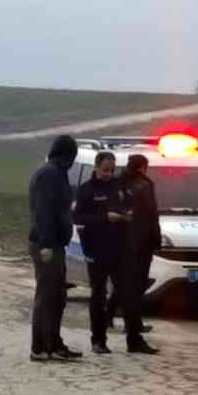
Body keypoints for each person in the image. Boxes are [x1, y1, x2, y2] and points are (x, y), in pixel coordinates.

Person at [29, 135, 82, 361]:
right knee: (47, 296)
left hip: (56, 244)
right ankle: (40, 347)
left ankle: (53, 344)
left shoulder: (57, 173)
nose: (72, 161)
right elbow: (43, 213)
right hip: (46, 245)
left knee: (57, 296)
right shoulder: (48, 175)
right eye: (71, 156)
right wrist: (48, 244)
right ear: (66, 155)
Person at [72, 151, 129, 354]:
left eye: (112, 170)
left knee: (123, 289)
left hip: (118, 247)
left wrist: (126, 216)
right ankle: (98, 340)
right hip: (96, 248)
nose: (109, 173)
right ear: (96, 167)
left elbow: (125, 206)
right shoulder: (86, 190)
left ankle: (119, 327)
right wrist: (105, 217)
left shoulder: (117, 186)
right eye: (105, 170)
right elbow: (78, 216)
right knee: (98, 294)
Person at [116, 153, 161, 354]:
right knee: (134, 289)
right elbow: (152, 216)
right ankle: (134, 337)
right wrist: (156, 240)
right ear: (143, 167)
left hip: (125, 245)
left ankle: (131, 330)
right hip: (139, 245)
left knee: (127, 289)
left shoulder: (119, 183)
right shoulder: (144, 185)